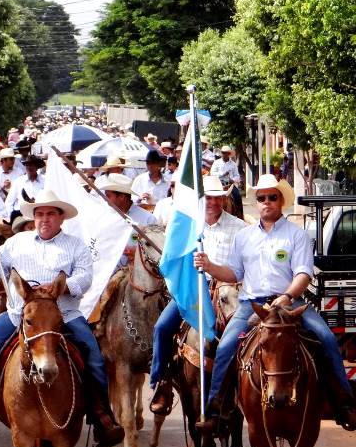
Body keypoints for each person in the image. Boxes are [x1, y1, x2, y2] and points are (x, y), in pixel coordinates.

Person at [0, 190, 124, 447]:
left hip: (64, 315)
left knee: (94, 357)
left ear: (61, 218)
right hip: (19, 315)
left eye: (50, 214)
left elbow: (85, 279)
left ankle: (102, 417)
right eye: (40, 214)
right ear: (34, 217)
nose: (45, 219)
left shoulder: (76, 245)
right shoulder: (17, 242)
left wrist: (58, 287)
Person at [194, 174, 356, 433]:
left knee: (325, 338)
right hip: (251, 305)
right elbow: (234, 274)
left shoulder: (297, 235)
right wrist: (210, 266)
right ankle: (215, 409)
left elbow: (303, 273)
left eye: (272, 197)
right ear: (256, 202)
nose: (266, 202)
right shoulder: (244, 237)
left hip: (289, 303)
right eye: (261, 198)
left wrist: (288, 296)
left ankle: (344, 404)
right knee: (224, 347)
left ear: (281, 201)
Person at [149, 176, 246, 414]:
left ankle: (252, 383)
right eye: (208, 198)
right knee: (162, 327)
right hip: (192, 291)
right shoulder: (186, 227)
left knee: (251, 332)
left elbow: (245, 265)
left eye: (217, 198)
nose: (212, 202)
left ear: (224, 199)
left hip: (227, 289)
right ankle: (161, 382)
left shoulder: (240, 228)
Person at [4, 154, 46, 222]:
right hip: (21, 216)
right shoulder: (18, 181)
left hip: (39, 215)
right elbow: (9, 202)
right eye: (27, 165)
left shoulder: (45, 181)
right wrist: (12, 218)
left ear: (37, 167)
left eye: (32, 165)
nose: (29, 167)